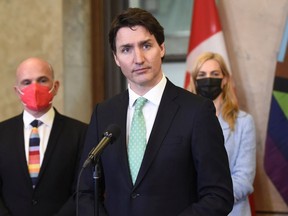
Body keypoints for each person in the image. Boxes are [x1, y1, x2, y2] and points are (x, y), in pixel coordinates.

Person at [78, 8, 234, 216]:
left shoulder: (197, 111)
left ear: (161, 48)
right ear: (116, 58)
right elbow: (86, 193)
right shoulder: (103, 113)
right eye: (126, 49)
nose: (138, 58)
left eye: (146, 45)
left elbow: (218, 196)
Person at [0, 57, 88, 216]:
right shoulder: (2, 133)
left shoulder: (81, 133)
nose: (34, 88)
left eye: (42, 80)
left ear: (55, 87)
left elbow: (82, 190)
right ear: (17, 91)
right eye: (26, 82)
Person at [190, 51, 256, 216]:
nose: (208, 79)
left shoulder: (244, 122)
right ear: (195, 81)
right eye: (202, 75)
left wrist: (212, 201)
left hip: (232, 210)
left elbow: (244, 178)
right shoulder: (183, 120)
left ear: (225, 79)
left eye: (215, 74)